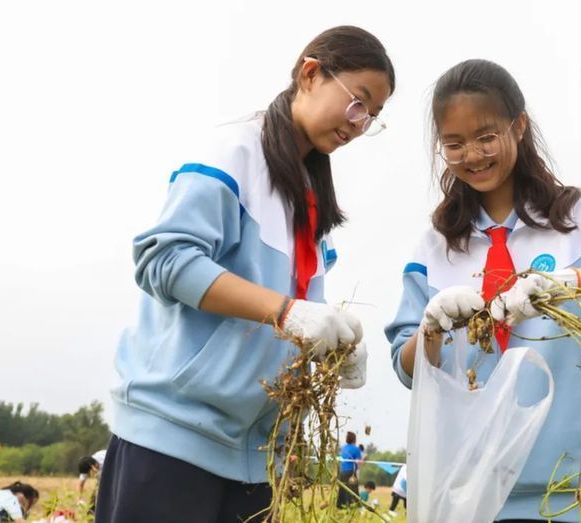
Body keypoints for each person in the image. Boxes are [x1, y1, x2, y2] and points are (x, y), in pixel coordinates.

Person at [96, 25, 395, 523]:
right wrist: (286, 312)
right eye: (358, 103)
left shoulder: (310, 203)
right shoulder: (234, 153)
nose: (359, 124)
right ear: (310, 73)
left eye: (374, 117)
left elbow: (296, 314)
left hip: (254, 460)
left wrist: (336, 342)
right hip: (175, 442)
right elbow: (164, 260)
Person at [385, 59, 581, 523]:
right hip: (465, 494)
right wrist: (432, 326)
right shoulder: (436, 248)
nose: (471, 155)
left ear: (519, 126)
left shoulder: (578, 219)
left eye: (486, 136)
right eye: (454, 144)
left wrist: (569, 283)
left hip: (571, 494)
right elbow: (408, 369)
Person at [337, 431, 363, 508]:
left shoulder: (343, 448)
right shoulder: (356, 449)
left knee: (343, 488)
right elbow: (358, 462)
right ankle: (354, 505)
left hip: (342, 471)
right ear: (354, 439)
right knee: (353, 489)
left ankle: (340, 505)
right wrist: (363, 460)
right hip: (351, 471)